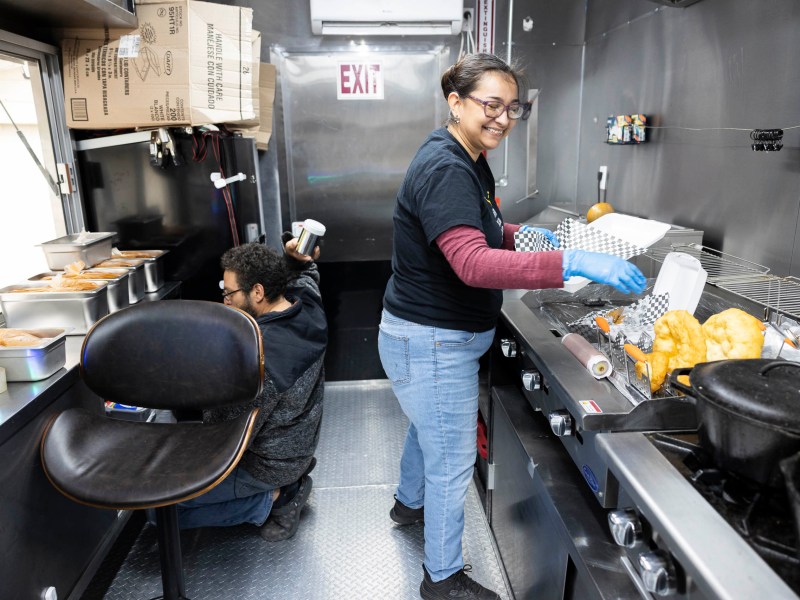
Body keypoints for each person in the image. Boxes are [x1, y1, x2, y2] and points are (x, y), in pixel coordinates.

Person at [378, 53, 645, 600]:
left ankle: (408, 505)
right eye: (490, 105)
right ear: (456, 101)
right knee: (452, 461)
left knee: (428, 427)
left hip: (429, 339)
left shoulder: (466, 153)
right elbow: (472, 263)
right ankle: (443, 579)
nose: (502, 118)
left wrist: (519, 233)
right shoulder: (448, 167)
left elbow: (477, 226)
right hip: (432, 341)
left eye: (512, 108)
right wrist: (568, 263)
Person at [176, 235, 327, 542]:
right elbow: (307, 273)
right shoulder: (307, 303)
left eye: (229, 293)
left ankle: (275, 499)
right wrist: (296, 259)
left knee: (161, 510)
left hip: (266, 466)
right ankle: (290, 480)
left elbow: (225, 435)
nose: (225, 301)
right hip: (298, 446)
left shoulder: (258, 360)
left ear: (257, 292)